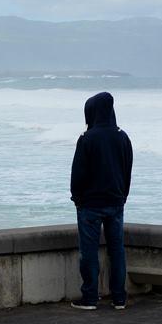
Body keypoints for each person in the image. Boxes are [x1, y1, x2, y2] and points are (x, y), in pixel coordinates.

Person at [70, 92, 133, 310]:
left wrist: (77, 198)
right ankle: (119, 297)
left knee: (89, 252)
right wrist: (123, 195)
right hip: (116, 202)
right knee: (117, 250)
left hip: (90, 204)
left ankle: (90, 297)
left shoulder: (87, 138)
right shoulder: (122, 136)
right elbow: (127, 169)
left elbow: (78, 173)